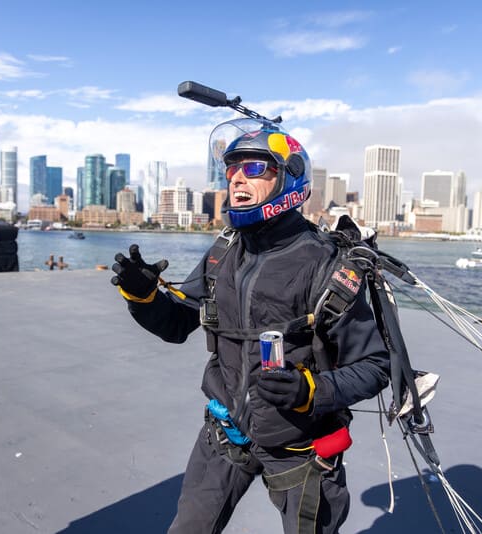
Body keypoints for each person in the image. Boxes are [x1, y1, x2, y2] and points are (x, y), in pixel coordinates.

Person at [111, 118, 390, 534]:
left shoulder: (324, 262)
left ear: (288, 179)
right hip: (225, 433)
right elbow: (177, 323)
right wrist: (143, 297)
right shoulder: (223, 251)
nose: (237, 178)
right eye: (232, 169)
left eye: (255, 168)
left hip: (301, 448)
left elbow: (375, 365)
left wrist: (310, 391)